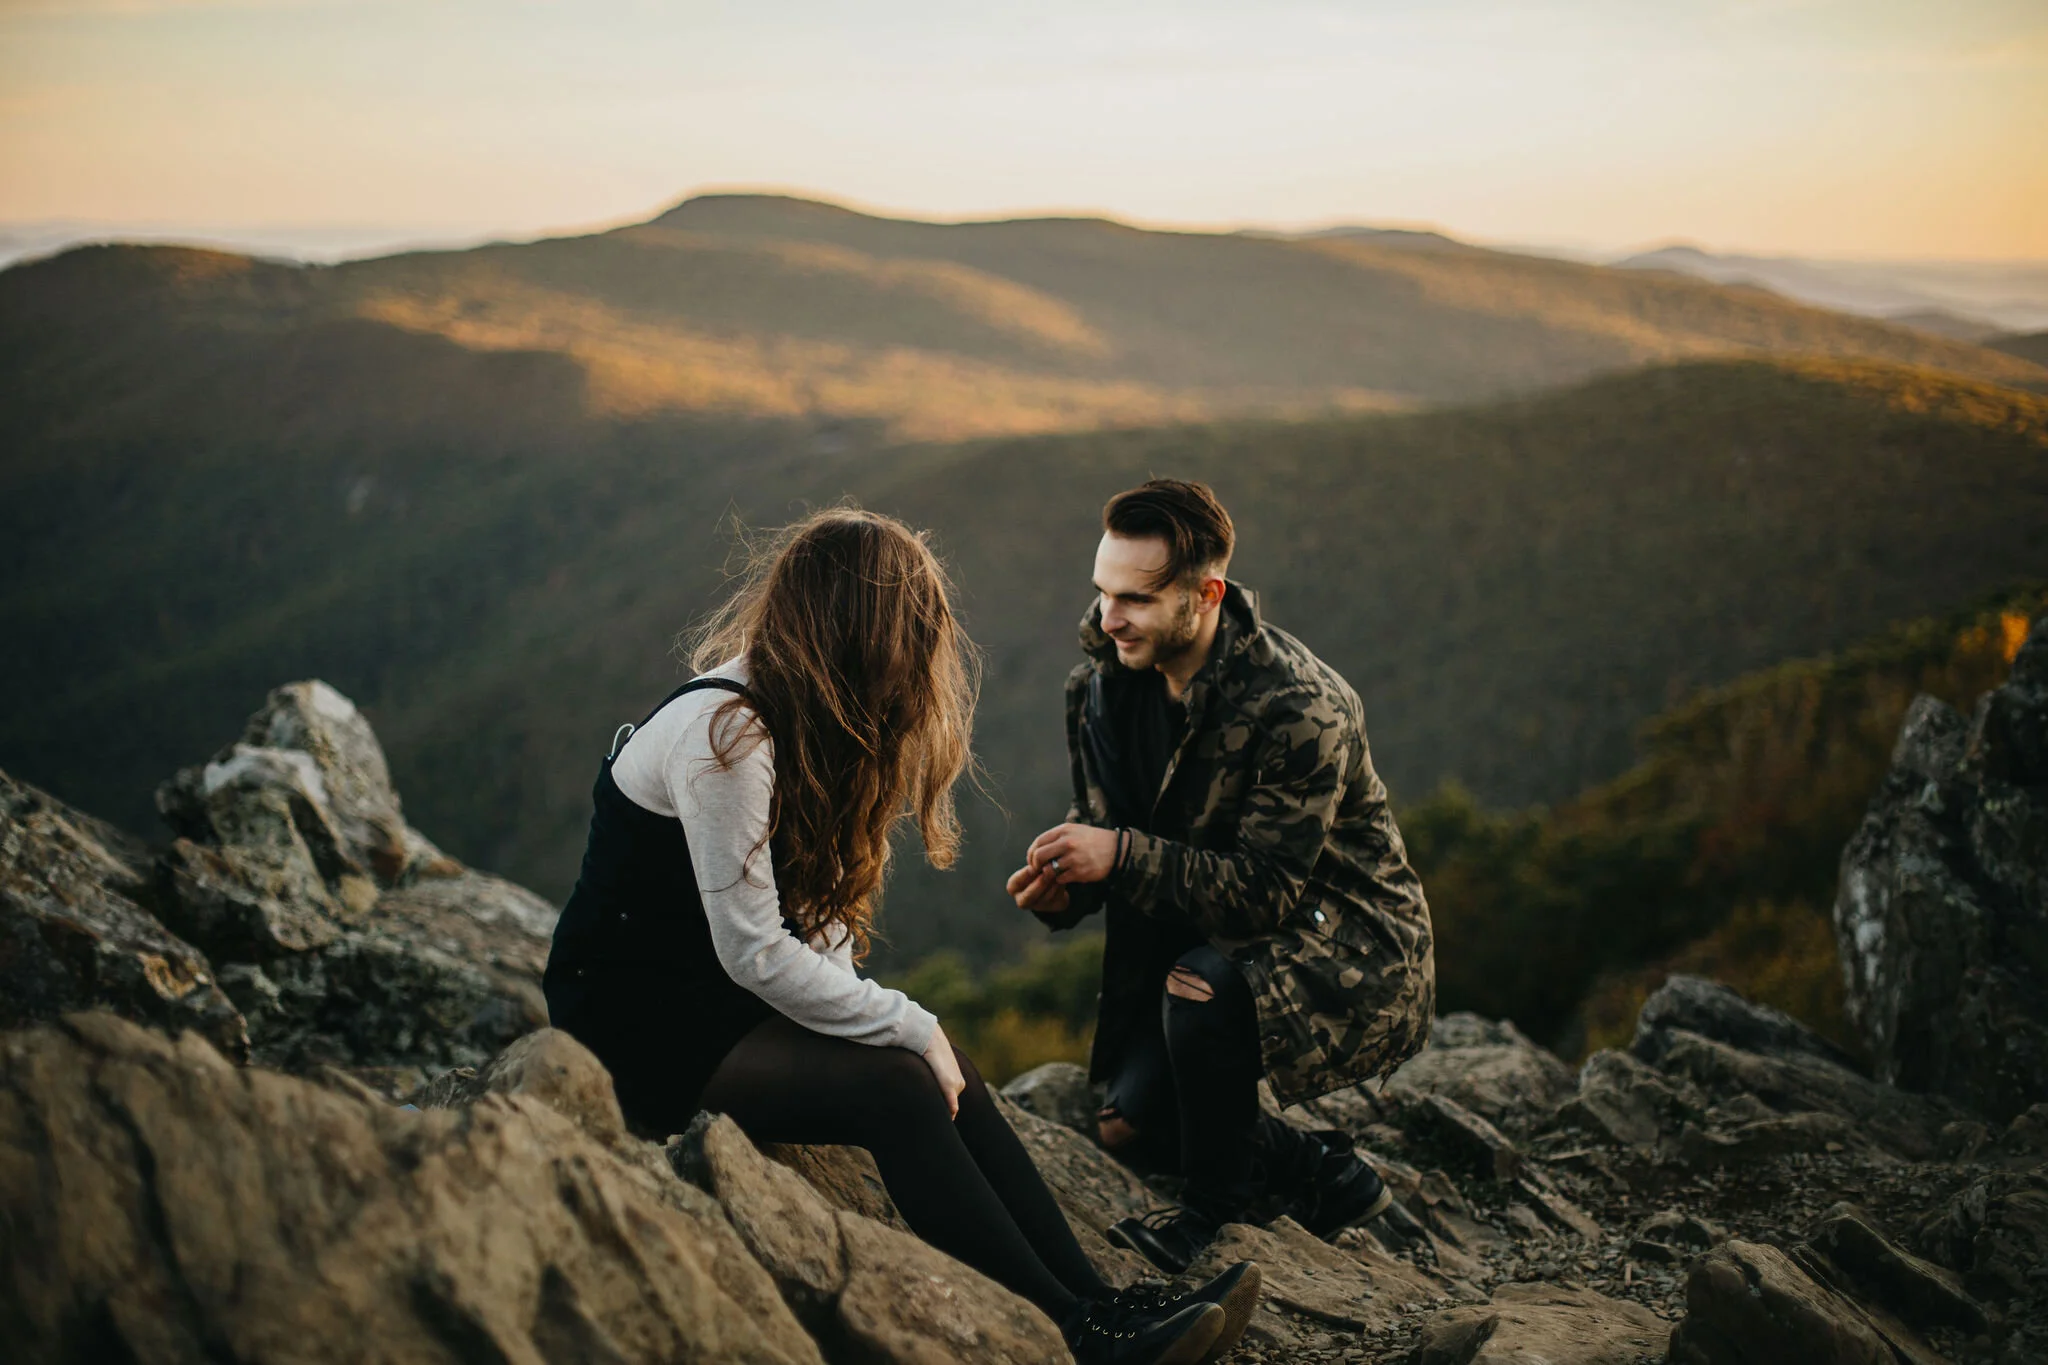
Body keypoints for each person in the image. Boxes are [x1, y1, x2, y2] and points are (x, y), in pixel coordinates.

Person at [542, 508, 1258, 1365]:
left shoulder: (807, 715)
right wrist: (905, 1025)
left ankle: (1105, 1305)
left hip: (711, 995)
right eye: (909, 633)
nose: (922, 658)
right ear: (859, 631)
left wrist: (904, 1026)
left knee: (929, 1057)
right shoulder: (729, 734)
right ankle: (1074, 1334)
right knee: (898, 1082)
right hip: (634, 1022)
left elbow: (820, 920)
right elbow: (754, 948)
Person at [1008, 480, 1436, 1274]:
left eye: (1134, 599)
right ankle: (1322, 1171)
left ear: (1205, 596)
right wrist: (1074, 891)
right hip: (1203, 932)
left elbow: (1267, 892)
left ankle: (1211, 1214)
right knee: (1124, 1128)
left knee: (1196, 988)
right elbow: (1110, 834)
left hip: (1342, 941)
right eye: (1102, 591)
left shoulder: (1301, 706)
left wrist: (1124, 856)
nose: (1107, 619)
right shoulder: (1102, 687)